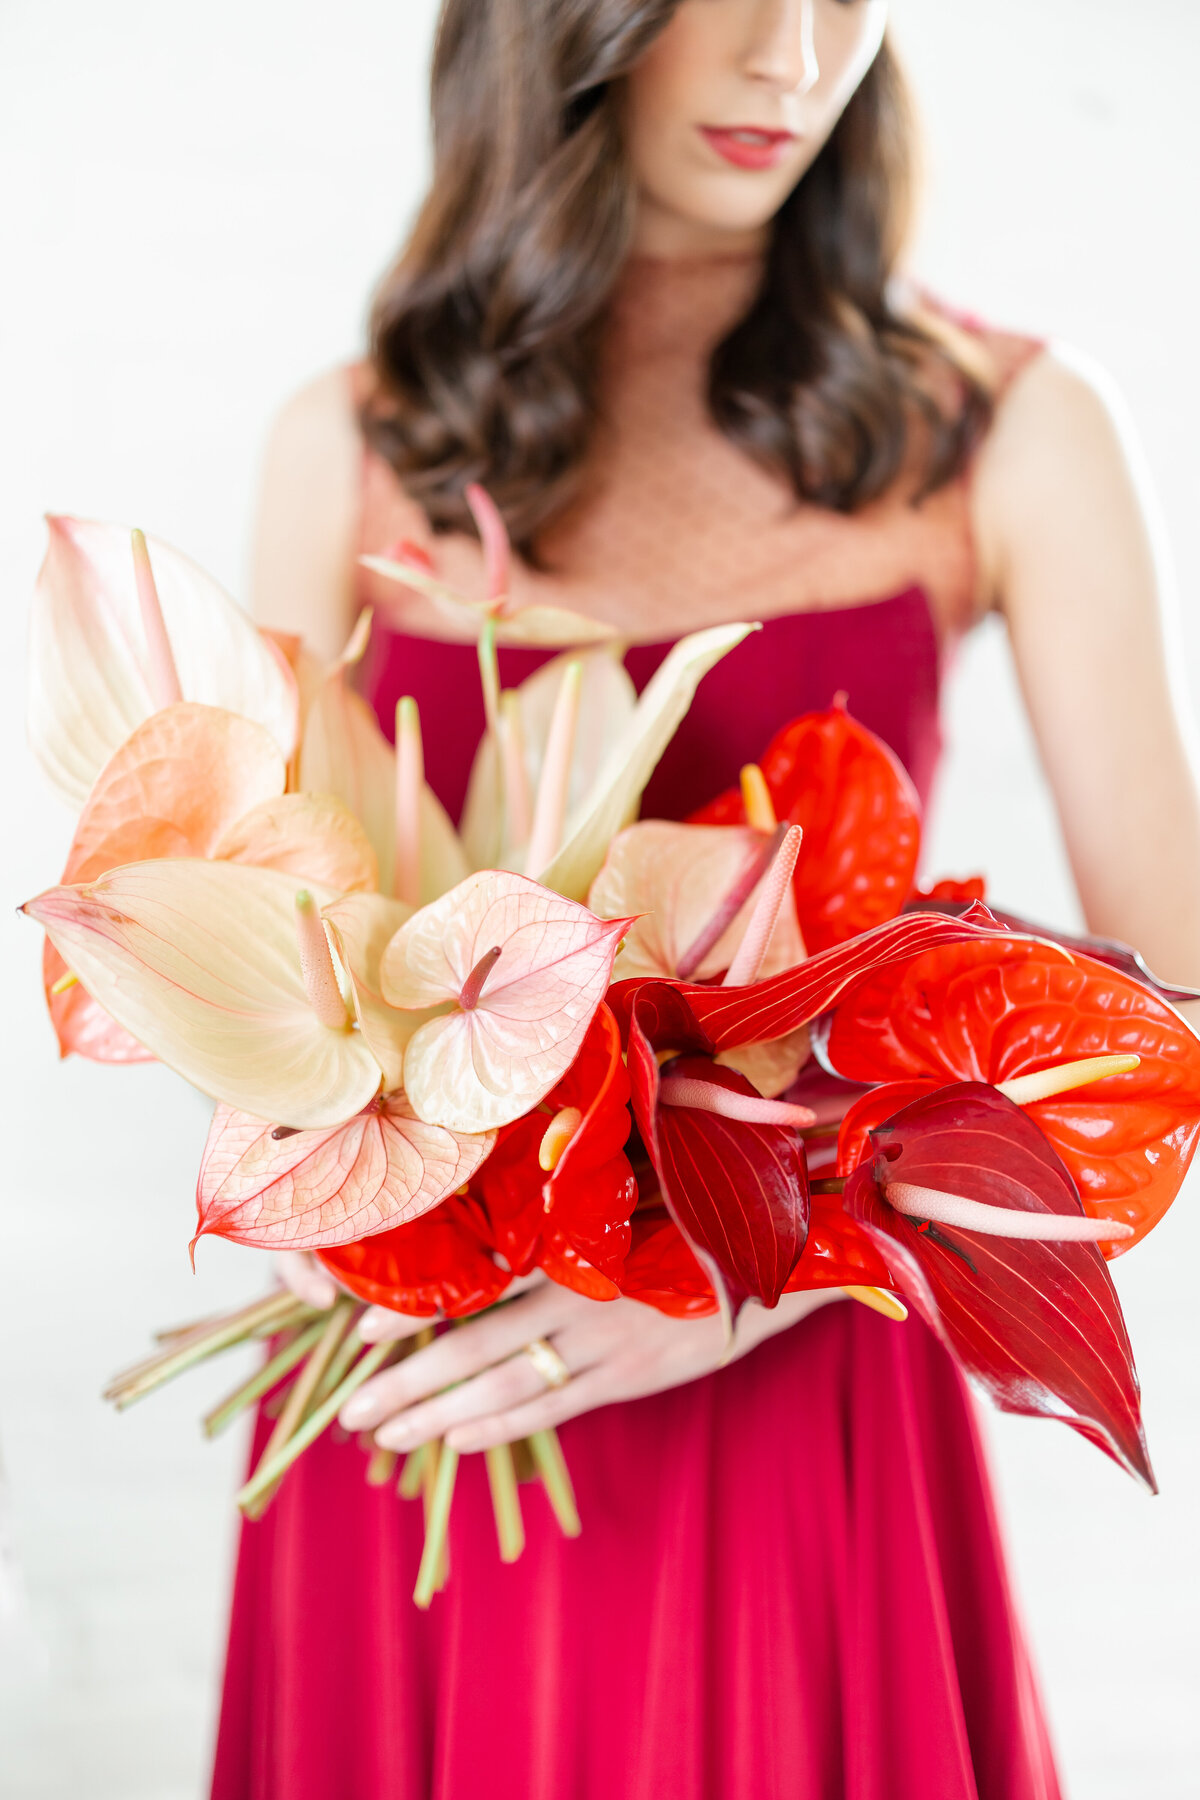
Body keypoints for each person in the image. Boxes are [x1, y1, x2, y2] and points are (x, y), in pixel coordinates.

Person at [217, 3, 1200, 1796]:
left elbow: (1173, 1018)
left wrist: (756, 1269)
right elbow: (259, 962)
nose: (799, 57)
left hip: (796, 1402)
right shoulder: (344, 447)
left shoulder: (1009, 430)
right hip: (421, 1395)